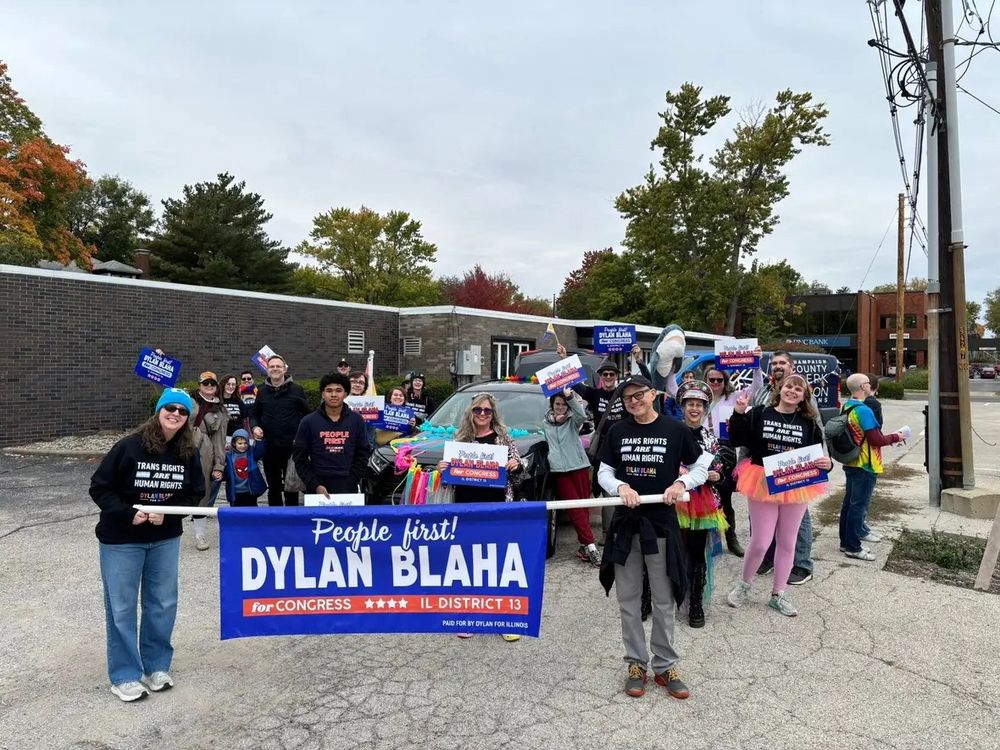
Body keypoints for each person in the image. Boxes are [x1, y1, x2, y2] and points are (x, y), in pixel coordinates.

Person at [597, 375, 712, 699]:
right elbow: (604, 471)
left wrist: (681, 484)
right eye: (627, 398)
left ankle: (665, 665)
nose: (633, 402)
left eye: (638, 395)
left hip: (661, 524)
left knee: (663, 599)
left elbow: (701, 463)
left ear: (653, 395)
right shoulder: (617, 431)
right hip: (625, 525)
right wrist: (620, 487)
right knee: (629, 600)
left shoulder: (675, 430)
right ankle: (636, 663)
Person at [89, 388, 204, 702]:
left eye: (182, 411)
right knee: (122, 607)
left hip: (164, 539)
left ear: (187, 419)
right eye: (170, 409)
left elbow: (195, 494)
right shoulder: (129, 447)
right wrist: (129, 514)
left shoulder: (187, 452)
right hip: (122, 539)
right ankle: (125, 675)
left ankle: (156, 666)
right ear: (159, 411)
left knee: (162, 603)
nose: (175, 415)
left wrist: (165, 513)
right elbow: (100, 488)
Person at [726, 374, 833, 617]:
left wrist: (828, 465)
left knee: (788, 541)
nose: (792, 391)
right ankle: (744, 584)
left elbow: (819, 456)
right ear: (780, 388)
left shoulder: (809, 422)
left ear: (804, 396)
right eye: (789, 386)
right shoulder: (759, 413)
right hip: (762, 480)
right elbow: (737, 439)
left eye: (798, 389)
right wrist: (739, 413)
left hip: (795, 482)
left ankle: (778, 594)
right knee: (761, 541)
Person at [437, 391, 526, 642]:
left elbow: (519, 467)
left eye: (487, 411)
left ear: (493, 413)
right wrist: (442, 469)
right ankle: (470, 615)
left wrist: (515, 465)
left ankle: (503, 619)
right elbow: (448, 476)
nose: (483, 415)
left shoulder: (503, 438)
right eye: (478, 410)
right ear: (471, 413)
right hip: (466, 507)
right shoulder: (460, 438)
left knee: (497, 561)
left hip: (496, 506)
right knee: (469, 562)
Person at [751, 350, 822, 585]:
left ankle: (801, 564)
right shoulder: (764, 392)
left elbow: (816, 429)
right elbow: (752, 427)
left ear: (792, 366)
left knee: (798, 522)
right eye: (774, 363)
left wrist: (824, 463)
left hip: (793, 471)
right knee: (763, 521)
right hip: (763, 469)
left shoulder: (801, 390)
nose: (778, 366)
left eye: (783, 363)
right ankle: (768, 559)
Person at [675, 380, 729, 628]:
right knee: (668, 550)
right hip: (675, 499)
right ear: (683, 407)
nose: (694, 409)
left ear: (705, 409)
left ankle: (695, 602)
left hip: (702, 502)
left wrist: (717, 475)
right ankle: (657, 597)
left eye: (699, 405)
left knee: (697, 553)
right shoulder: (672, 433)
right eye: (690, 404)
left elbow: (719, 468)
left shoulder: (711, 438)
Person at [838, 373, 909, 561]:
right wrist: (896, 437)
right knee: (858, 505)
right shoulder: (864, 410)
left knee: (849, 503)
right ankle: (853, 547)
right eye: (868, 383)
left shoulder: (846, 406)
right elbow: (875, 439)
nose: (870, 386)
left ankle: (845, 541)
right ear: (863, 387)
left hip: (850, 460)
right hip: (866, 462)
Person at [702, 359, 764, 557]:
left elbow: (756, 388)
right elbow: (671, 387)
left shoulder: (734, 396)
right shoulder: (698, 397)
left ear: (725, 380)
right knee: (702, 495)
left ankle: (732, 539)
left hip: (726, 450)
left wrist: (756, 365)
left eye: (719, 379)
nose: (715, 383)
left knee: (725, 497)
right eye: (711, 379)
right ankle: (709, 540)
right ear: (705, 380)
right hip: (701, 448)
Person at [542, 387, 600, 567]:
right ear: (552, 404)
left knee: (583, 508)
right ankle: (592, 548)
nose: (560, 407)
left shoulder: (572, 420)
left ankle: (584, 545)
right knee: (575, 509)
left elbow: (581, 416)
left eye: (563, 404)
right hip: (560, 471)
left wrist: (570, 397)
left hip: (579, 466)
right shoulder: (545, 423)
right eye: (557, 404)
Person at [292, 372, 371, 496]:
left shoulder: (357, 420)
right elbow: (299, 457)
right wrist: (314, 484)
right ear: (323, 394)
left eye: (338, 390)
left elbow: (363, 453)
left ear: (345, 394)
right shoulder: (308, 421)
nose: (334, 395)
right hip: (317, 486)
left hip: (348, 484)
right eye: (329, 390)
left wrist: (353, 478)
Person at [253, 355, 311, 507]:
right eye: (272, 366)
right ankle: (275, 520)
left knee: (291, 486)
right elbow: (254, 414)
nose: (275, 369)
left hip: (291, 447)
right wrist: (255, 426)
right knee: (273, 487)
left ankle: (292, 519)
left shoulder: (297, 390)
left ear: (285, 368)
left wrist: (302, 437)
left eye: (278, 366)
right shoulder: (261, 390)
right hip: (269, 447)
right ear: (267, 369)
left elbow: (308, 415)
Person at [189, 371, 227, 550]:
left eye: (212, 384)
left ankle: (200, 534)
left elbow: (219, 439)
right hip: (183, 447)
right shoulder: (188, 400)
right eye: (206, 383)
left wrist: (219, 465)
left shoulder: (220, 409)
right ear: (199, 385)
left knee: (202, 492)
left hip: (205, 451)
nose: (209, 386)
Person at [224, 429, 268, 507]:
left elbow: (261, 451)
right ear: (234, 443)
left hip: (250, 491)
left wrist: (259, 440)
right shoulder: (229, 456)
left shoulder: (251, 453)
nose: (243, 446)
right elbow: (225, 473)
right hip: (235, 492)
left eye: (245, 443)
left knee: (252, 512)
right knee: (237, 514)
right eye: (240, 443)